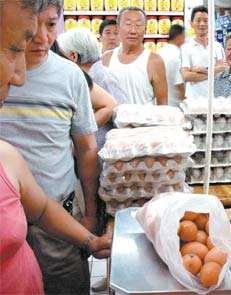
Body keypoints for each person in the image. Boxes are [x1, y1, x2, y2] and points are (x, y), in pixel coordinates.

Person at [0, 1, 111, 295]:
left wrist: (89, 212)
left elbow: (86, 149)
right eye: (29, 28)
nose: (40, 36)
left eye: (50, 25)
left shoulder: (70, 76)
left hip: (56, 218)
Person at [102, 7, 167, 105]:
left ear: (145, 29)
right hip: (113, 120)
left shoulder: (154, 61)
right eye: (128, 24)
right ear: (118, 28)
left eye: (138, 25)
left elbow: (162, 104)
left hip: (144, 120)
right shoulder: (106, 58)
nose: (133, 30)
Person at [181, 5, 226, 98]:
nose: (202, 24)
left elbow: (223, 70)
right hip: (193, 100)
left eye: (206, 21)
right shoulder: (186, 48)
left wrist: (202, 71)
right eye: (198, 20)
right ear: (191, 23)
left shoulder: (217, 46)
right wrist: (213, 72)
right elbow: (186, 76)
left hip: (215, 99)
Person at [158, 24, 186, 106]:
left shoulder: (159, 52)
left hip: (159, 102)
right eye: (184, 36)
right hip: (174, 104)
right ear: (179, 36)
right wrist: (185, 100)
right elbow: (179, 82)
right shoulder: (177, 54)